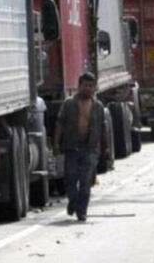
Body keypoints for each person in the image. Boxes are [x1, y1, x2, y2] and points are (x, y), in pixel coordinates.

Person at [54, 72, 106, 222]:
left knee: (85, 182)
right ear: (79, 86)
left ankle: (82, 211)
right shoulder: (69, 104)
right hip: (71, 148)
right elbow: (60, 124)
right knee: (70, 179)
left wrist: (105, 148)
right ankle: (73, 201)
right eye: (85, 85)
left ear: (94, 88)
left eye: (91, 86)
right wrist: (56, 144)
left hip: (90, 149)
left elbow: (103, 128)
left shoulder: (98, 106)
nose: (88, 88)